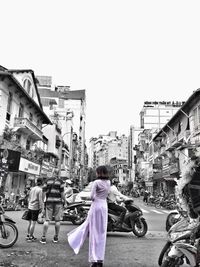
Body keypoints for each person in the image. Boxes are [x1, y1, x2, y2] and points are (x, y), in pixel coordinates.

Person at [67, 165, 111, 267]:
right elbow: (107, 194)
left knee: (94, 234)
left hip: (96, 206)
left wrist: (96, 196)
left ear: (99, 173)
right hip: (104, 206)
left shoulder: (96, 182)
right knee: (102, 234)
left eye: (97, 172)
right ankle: (100, 260)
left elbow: (91, 196)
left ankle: (94, 260)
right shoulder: (108, 182)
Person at [40, 169, 66, 244]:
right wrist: (65, 201)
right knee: (57, 221)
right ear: (58, 173)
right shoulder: (60, 182)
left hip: (49, 202)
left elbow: (43, 192)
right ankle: (56, 237)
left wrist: (43, 201)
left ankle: (44, 238)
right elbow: (62, 193)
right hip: (58, 202)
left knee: (47, 220)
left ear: (52, 173)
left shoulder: (47, 181)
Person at [26, 177, 44, 242]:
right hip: (35, 208)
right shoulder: (40, 190)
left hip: (30, 207)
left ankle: (28, 235)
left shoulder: (32, 188)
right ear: (42, 182)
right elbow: (40, 200)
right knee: (33, 223)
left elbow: (29, 198)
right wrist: (41, 208)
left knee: (30, 223)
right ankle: (30, 237)